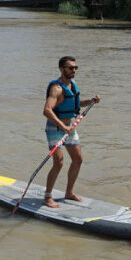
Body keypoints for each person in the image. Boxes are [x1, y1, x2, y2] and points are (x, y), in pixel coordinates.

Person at [42, 56, 100, 208]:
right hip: (55, 129)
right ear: (61, 69)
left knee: (78, 159)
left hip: (70, 129)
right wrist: (63, 126)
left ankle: (69, 192)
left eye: (75, 68)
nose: (73, 70)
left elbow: (75, 103)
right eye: (70, 68)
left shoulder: (73, 85)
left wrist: (91, 101)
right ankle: (47, 197)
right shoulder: (57, 88)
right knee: (59, 163)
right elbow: (47, 110)